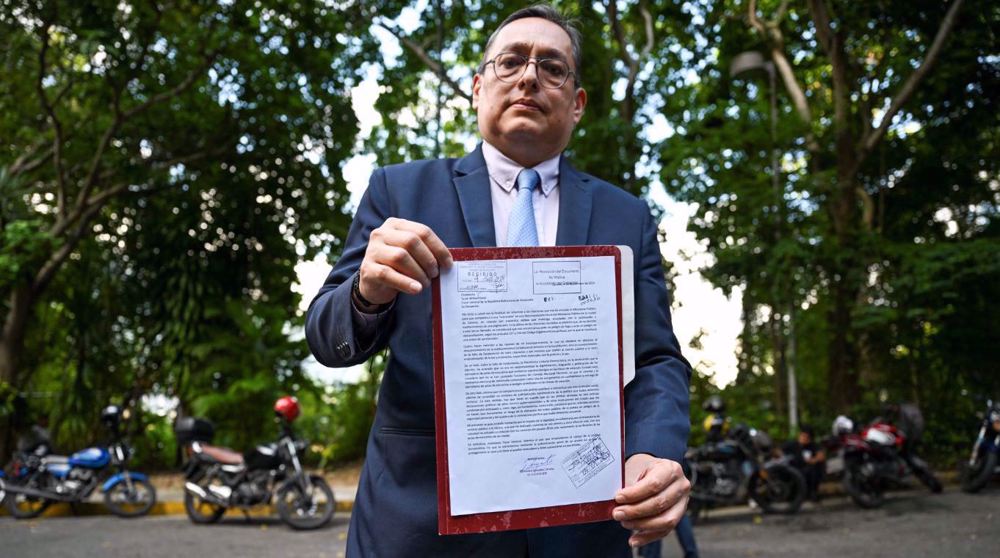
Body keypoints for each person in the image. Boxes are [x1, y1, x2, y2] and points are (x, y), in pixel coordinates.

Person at [306, 5, 691, 556]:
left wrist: (656, 449)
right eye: (511, 62)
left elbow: (656, 358)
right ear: (478, 86)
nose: (529, 76)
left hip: (585, 528)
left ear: (577, 104)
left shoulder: (625, 216)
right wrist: (367, 292)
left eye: (552, 67)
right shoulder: (399, 192)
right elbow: (328, 340)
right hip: (421, 527)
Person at [782, 424, 826, 502]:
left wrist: (813, 460)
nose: (804, 438)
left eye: (806, 436)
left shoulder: (813, 445)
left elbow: (821, 456)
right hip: (794, 470)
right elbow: (780, 451)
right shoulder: (792, 444)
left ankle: (812, 493)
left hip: (808, 470)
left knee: (815, 469)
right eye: (802, 435)